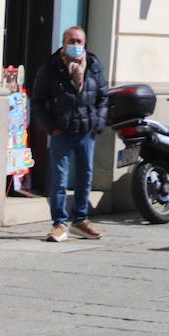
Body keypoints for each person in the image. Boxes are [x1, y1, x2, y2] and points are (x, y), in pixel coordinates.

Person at [32, 26, 107, 242]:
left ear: (85, 43)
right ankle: (59, 224)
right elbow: (38, 102)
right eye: (71, 41)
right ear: (63, 43)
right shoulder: (51, 67)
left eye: (79, 41)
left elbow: (103, 96)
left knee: (85, 178)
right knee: (60, 180)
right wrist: (51, 128)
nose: (75, 45)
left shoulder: (93, 64)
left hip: (86, 131)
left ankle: (81, 221)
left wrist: (97, 124)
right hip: (61, 131)